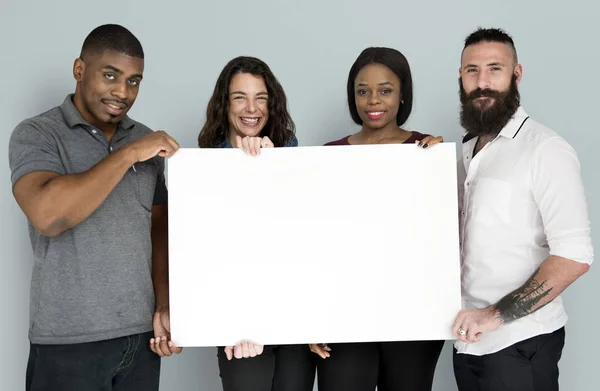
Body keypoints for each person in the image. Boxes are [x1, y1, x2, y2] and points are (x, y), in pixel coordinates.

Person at [8, 24, 182, 391]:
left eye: (134, 81)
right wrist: (129, 154)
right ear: (79, 70)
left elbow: (158, 230)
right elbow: (48, 215)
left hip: (140, 341)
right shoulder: (37, 134)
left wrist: (164, 306)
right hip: (67, 342)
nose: (123, 92)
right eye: (110, 76)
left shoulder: (143, 137)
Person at [451, 28, 594, 391]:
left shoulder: (545, 149)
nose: (482, 82)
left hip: (521, 342)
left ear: (516, 74)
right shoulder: (466, 152)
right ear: (460, 76)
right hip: (468, 342)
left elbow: (575, 256)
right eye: (472, 70)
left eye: (494, 69)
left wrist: (494, 315)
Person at [309, 47, 445, 391]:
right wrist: (311, 315)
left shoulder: (427, 152)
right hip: (346, 310)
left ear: (402, 96)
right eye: (362, 91)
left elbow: (439, 235)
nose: (373, 100)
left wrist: (439, 169)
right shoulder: (330, 156)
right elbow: (316, 243)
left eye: (385, 90)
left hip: (413, 311)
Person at [197, 56, 316, 391]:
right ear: (224, 104)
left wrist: (270, 168)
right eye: (240, 97)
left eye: (260, 97)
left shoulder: (291, 155)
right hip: (240, 327)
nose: (251, 108)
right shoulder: (203, 168)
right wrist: (237, 322)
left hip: (293, 318)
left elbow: (302, 240)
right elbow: (210, 254)